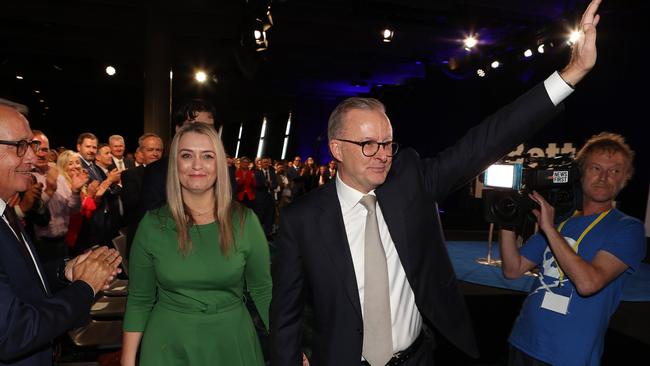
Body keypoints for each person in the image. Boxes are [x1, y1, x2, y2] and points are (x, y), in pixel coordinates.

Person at [269, 1, 602, 364]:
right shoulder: (301, 220)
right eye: (367, 144)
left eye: (386, 142)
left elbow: (486, 140)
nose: (382, 154)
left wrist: (572, 73)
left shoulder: (410, 180)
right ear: (336, 149)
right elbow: (286, 311)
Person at [122, 123, 271, 366]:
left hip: (232, 343)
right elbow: (140, 299)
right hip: (168, 346)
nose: (197, 165)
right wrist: (127, 361)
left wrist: (291, 346)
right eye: (187, 155)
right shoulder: (152, 225)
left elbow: (264, 291)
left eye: (208, 156)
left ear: (219, 165)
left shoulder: (245, 222)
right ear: (175, 164)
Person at [499, 132, 646, 366]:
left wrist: (548, 228)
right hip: (523, 341)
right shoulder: (561, 222)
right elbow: (512, 269)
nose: (604, 177)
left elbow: (588, 284)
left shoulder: (628, 228)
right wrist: (507, 218)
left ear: (625, 179)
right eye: (596, 168)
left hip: (567, 355)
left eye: (615, 171)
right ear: (581, 172)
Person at [0, 103, 122, 366]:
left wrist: (64, 272)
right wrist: (84, 287)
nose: (32, 158)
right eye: (20, 146)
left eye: (31, 146)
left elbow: (22, 284)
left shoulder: (5, 211)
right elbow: (13, 333)